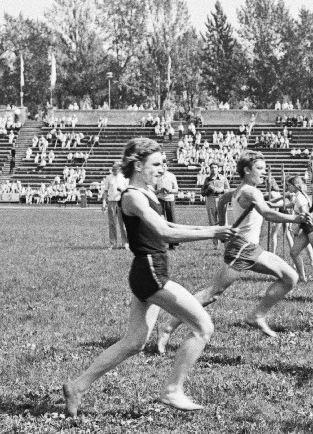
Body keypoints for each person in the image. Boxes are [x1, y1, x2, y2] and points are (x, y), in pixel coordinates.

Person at [62, 138, 237, 415]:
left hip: (148, 271)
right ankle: (172, 390)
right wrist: (212, 233)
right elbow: (164, 233)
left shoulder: (146, 194)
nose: (161, 169)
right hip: (150, 272)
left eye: (162, 164)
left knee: (134, 342)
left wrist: (211, 229)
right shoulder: (132, 196)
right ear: (138, 165)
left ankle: (77, 386)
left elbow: (168, 224)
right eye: (156, 164)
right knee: (203, 328)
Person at [157, 150, 311, 347]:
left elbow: (237, 202)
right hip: (241, 249)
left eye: (264, 169)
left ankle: (256, 316)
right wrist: (295, 218)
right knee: (211, 293)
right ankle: (168, 326)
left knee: (290, 277)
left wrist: (223, 222)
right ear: (247, 170)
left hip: (251, 248)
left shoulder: (244, 189)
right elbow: (267, 213)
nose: (264, 173)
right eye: (260, 169)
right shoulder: (250, 191)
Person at [101, 165, 129, 249]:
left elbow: (128, 190)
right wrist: (104, 202)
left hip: (121, 202)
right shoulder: (109, 177)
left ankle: (125, 243)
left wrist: (122, 190)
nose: (114, 171)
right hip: (111, 201)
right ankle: (113, 243)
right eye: (113, 169)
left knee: (123, 223)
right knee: (112, 223)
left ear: (119, 169)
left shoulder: (124, 177)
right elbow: (105, 191)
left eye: (116, 169)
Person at [202, 163, 229, 248]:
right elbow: (202, 193)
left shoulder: (223, 178)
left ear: (218, 168)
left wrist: (219, 190)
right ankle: (215, 244)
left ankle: (226, 243)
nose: (214, 169)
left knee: (223, 222)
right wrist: (208, 190)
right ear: (209, 169)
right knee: (212, 222)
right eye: (212, 167)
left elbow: (228, 190)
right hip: (210, 200)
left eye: (215, 167)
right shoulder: (207, 179)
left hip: (221, 199)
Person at [156, 159, 179, 249]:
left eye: (164, 166)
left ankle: (173, 244)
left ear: (167, 167)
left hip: (169, 199)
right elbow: (153, 190)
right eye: (161, 166)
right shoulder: (156, 176)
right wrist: (159, 190)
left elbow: (176, 189)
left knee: (171, 221)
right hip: (160, 200)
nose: (163, 167)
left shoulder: (171, 176)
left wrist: (170, 190)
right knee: (160, 222)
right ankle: (160, 244)